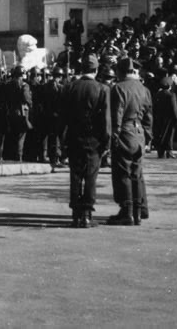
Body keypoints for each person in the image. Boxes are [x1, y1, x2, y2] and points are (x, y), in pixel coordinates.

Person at [61, 53, 110, 228]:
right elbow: (105, 119)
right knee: (90, 176)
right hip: (94, 138)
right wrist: (106, 142)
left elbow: (64, 116)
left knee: (75, 175)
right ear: (96, 70)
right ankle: (87, 213)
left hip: (74, 136)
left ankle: (75, 213)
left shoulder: (70, 87)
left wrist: (64, 139)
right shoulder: (103, 89)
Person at [107, 57, 153, 226]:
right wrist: (148, 137)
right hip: (139, 132)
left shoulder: (118, 88)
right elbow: (148, 116)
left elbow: (116, 115)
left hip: (125, 131)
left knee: (123, 173)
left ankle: (126, 212)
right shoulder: (144, 89)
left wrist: (114, 136)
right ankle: (138, 211)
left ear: (119, 71)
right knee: (137, 173)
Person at [3, 65, 33, 160]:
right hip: (21, 112)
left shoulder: (7, 85)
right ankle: (19, 156)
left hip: (11, 112)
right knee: (21, 136)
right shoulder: (24, 85)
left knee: (12, 135)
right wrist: (30, 104)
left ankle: (11, 155)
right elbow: (26, 98)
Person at [152, 73, 177, 159]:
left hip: (159, 118)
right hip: (169, 119)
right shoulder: (171, 95)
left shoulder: (157, 94)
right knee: (169, 135)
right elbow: (174, 109)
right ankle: (170, 151)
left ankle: (160, 152)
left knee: (160, 134)